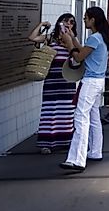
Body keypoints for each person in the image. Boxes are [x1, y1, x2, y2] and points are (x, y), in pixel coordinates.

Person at [59, 6, 109, 172]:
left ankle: (77, 159)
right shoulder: (101, 37)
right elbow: (84, 51)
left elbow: (78, 57)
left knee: (80, 117)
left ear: (93, 19)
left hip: (90, 82)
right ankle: (95, 151)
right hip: (99, 81)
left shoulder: (94, 38)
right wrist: (73, 39)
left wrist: (68, 43)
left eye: (86, 17)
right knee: (94, 116)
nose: (84, 20)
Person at [27, 14, 78, 154]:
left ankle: (65, 141)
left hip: (67, 81)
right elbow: (32, 38)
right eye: (65, 21)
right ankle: (47, 143)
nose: (68, 24)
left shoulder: (72, 41)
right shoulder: (50, 38)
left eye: (71, 22)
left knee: (66, 112)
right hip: (52, 80)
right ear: (59, 23)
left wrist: (71, 39)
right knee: (50, 111)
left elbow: (77, 56)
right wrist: (42, 24)